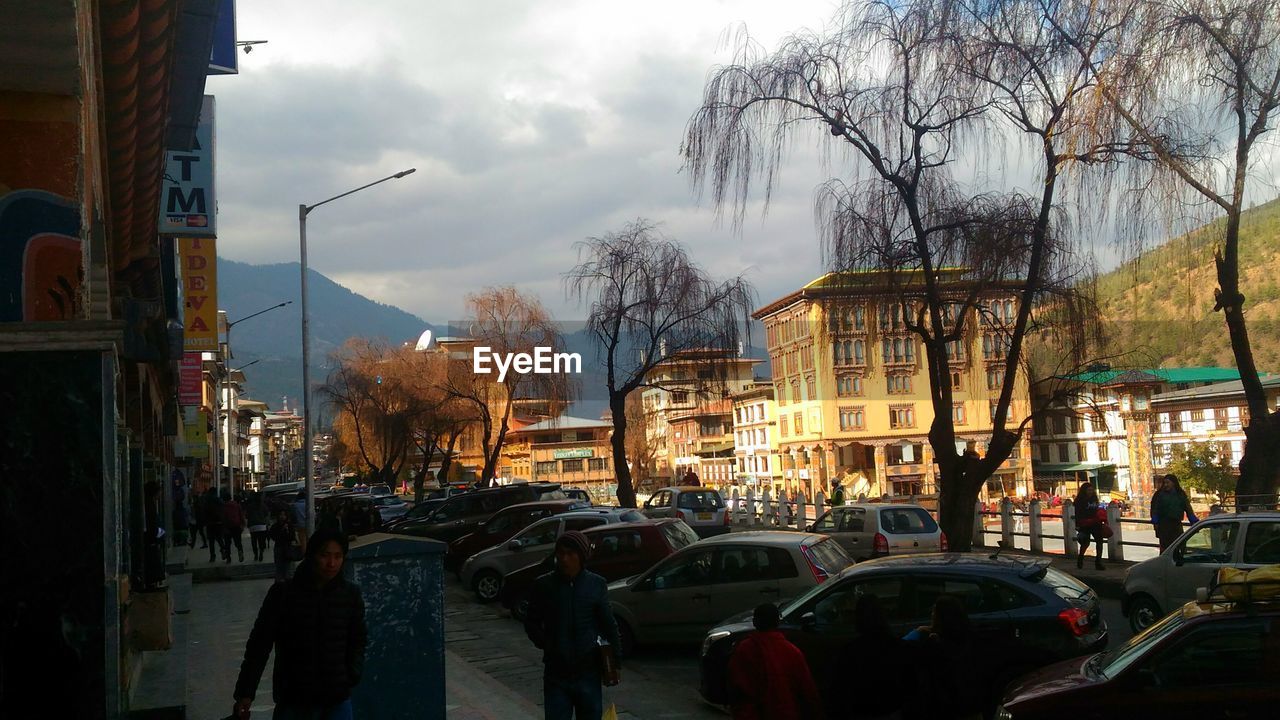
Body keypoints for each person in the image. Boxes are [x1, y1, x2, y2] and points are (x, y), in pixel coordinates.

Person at [234, 528, 367, 719]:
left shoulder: (350, 594)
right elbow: (259, 645)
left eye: (338, 556)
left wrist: (352, 673)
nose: (331, 563)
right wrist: (245, 692)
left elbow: (358, 639)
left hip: (336, 698)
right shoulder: (283, 594)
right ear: (312, 555)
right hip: (294, 700)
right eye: (325, 555)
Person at [524, 531, 620, 720]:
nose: (565, 559)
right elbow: (531, 621)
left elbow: (609, 624)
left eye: (570, 554)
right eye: (560, 553)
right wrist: (548, 644)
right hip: (556, 674)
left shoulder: (596, 584)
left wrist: (615, 662)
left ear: (581, 556)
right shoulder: (544, 585)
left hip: (588, 672)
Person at [727, 603, 822, 720]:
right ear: (777, 622)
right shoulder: (792, 652)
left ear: (755, 622)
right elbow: (808, 690)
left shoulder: (744, 649)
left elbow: (736, 686)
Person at [902, 596, 984, 720]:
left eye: (934, 611)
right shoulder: (970, 637)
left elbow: (901, 648)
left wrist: (918, 632)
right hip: (970, 704)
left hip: (944, 706)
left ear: (939, 617)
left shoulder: (931, 641)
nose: (931, 614)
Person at [829, 595, 909, 720]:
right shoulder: (897, 646)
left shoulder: (850, 651)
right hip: (891, 709)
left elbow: (840, 690)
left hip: (863, 711)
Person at [1152, 473, 1197, 553]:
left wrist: (1194, 521)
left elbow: (1188, 509)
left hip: (1176, 525)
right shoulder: (1159, 495)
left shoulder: (1180, 494)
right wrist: (1156, 523)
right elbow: (1154, 510)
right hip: (1164, 526)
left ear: (1173, 483)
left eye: (1167, 483)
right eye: (1164, 483)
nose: (1165, 485)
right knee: (1166, 549)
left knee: (1180, 546)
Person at [1073, 482, 1105, 570]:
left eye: (1091, 490)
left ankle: (1098, 562)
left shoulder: (1094, 499)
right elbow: (1077, 513)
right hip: (1085, 524)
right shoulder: (1079, 501)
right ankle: (1080, 559)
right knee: (1085, 543)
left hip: (1095, 523)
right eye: (1088, 490)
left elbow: (1097, 510)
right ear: (1084, 491)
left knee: (1099, 542)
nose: (1090, 492)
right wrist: (1078, 524)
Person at [270, 509, 297, 583]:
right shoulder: (275, 526)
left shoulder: (289, 525)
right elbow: (273, 536)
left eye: (284, 515)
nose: (282, 517)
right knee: (279, 568)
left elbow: (292, 537)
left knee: (288, 568)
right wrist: (282, 530)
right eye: (281, 515)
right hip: (279, 548)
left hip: (287, 548)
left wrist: (287, 530)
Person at [221, 490, 246, 563]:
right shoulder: (236, 504)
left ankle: (228, 558)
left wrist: (223, 527)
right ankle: (240, 551)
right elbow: (241, 515)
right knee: (238, 541)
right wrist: (243, 524)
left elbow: (223, 517)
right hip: (237, 526)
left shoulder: (224, 506)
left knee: (227, 543)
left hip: (228, 527)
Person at [245, 491, 271, 562]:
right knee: (261, 541)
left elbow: (247, 516)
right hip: (262, 526)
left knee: (254, 541)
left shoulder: (250, 506)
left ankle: (255, 554)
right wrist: (267, 524)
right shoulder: (263, 506)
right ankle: (261, 552)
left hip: (253, 526)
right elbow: (267, 515)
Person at [202, 488, 225, 564]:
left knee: (211, 541)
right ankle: (223, 550)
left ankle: (212, 556)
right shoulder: (218, 500)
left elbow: (204, 511)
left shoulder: (206, 501)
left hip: (210, 523)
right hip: (219, 522)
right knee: (220, 539)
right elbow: (223, 509)